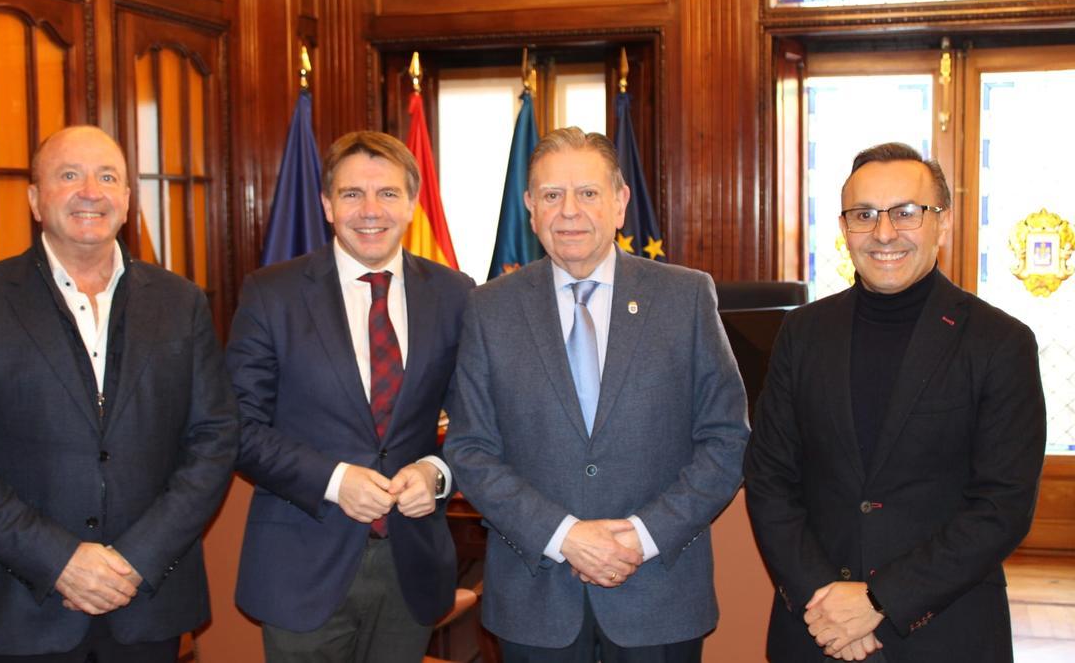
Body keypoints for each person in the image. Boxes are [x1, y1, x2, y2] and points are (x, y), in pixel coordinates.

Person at [0, 125, 239, 662]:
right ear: (35, 200)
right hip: (16, 608)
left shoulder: (181, 303)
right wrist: (61, 561)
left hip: (145, 602)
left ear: (127, 201)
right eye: (69, 175)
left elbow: (214, 439)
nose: (90, 190)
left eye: (107, 176)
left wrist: (137, 559)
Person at [443, 127, 750, 662]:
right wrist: (563, 536)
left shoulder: (685, 297)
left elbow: (726, 439)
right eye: (552, 195)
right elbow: (470, 448)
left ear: (620, 202)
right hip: (534, 600)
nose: (569, 212)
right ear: (530, 207)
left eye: (588, 192)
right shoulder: (489, 308)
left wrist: (643, 535)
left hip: (659, 591)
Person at [744, 142, 1046, 662]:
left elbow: (1002, 505)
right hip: (816, 630)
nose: (884, 233)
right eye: (864, 215)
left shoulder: (1000, 342)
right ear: (844, 229)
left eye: (906, 213)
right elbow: (770, 478)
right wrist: (825, 599)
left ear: (942, 225)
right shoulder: (802, 332)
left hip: (944, 633)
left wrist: (881, 601)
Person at [227, 130, 474, 663]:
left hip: (410, 565)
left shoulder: (455, 294)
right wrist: (335, 481)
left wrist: (435, 474)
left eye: (387, 193)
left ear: (412, 203)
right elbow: (239, 429)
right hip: (302, 563)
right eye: (351, 194)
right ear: (326, 204)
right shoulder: (271, 294)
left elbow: (479, 424)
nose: (370, 210)